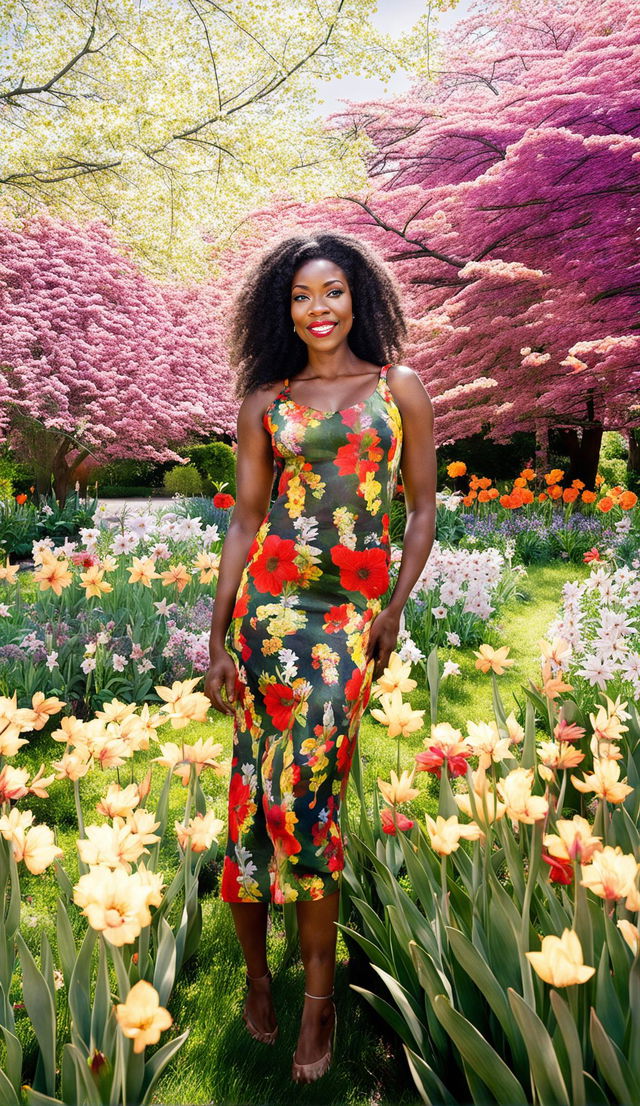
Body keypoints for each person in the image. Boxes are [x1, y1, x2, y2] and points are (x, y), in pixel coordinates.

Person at [204, 231, 436, 1083]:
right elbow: (245, 518)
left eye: (331, 291)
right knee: (255, 795)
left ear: (357, 297)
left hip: (347, 622)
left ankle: (318, 1001)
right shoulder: (268, 400)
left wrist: (394, 607)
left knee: (307, 800)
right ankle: (259, 981)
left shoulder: (397, 388)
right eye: (301, 297)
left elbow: (420, 508)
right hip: (268, 619)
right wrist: (220, 632)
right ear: (284, 309)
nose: (318, 309)